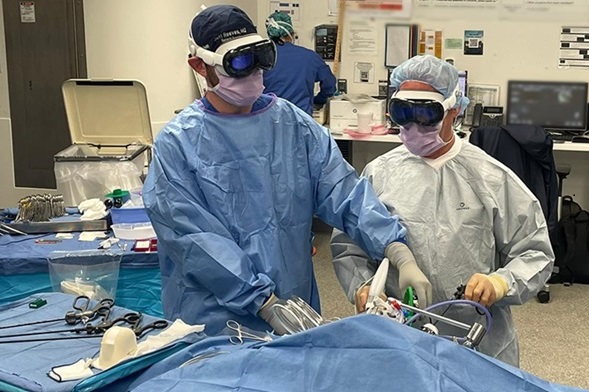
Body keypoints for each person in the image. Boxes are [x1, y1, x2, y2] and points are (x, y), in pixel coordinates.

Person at [143, 5, 431, 336]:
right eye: (238, 63)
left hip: (294, 305)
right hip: (215, 318)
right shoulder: (177, 143)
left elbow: (344, 192)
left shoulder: (294, 125)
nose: (253, 73)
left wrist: (396, 249)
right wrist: (262, 302)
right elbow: (195, 240)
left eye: (260, 57)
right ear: (199, 65)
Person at [330, 55, 554, 367]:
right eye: (402, 113)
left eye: (425, 113)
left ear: (454, 109)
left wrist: (500, 283)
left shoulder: (491, 178)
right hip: (396, 336)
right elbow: (349, 244)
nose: (412, 126)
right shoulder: (379, 174)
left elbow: (535, 252)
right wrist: (364, 287)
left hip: (475, 340)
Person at [263, 11, 336, 116]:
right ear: (291, 34)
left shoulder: (261, 58)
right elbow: (330, 85)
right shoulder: (310, 57)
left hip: (269, 120)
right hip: (300, 121)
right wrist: (319, 100)